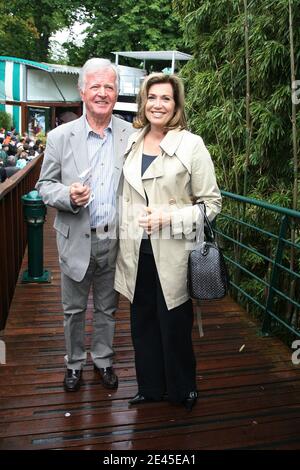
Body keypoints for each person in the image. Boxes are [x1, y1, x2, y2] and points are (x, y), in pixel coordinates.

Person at [114, 73, 222, 410]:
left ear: (176, 105)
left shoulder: (192, 145)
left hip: (173, 253)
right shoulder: (132, 142)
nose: (158, 104)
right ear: (143, 102)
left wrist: (169, 217)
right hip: (136, 252)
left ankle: (183, 389)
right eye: (152, 97)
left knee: (174, 327)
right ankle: (149, 387)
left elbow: (212, 203)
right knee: (142, 324)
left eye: (166, 98)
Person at [36, 58, 134, 392]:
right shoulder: (60, 137)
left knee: (108, 308)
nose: (103, 93)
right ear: (82, 91)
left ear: (117, 93)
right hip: (76, 237)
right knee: (74, 309)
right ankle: (74, 364)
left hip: (114, 239)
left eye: (109, 87)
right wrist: (68, 195)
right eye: (96, 86)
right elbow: (44, 187)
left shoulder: (130, 135)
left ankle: (103, 360)